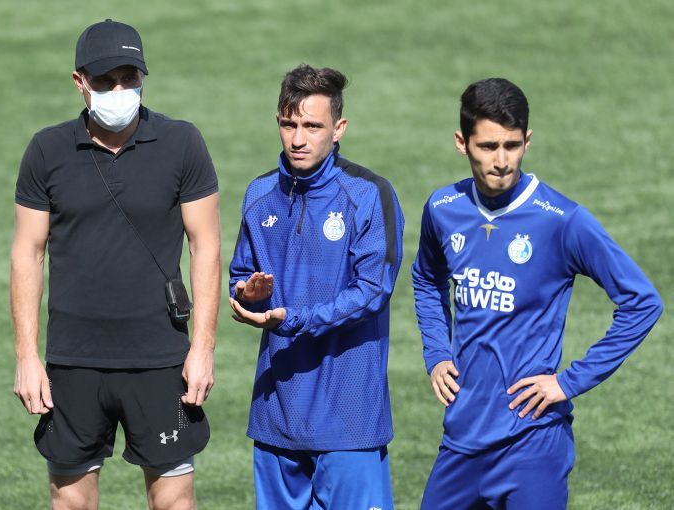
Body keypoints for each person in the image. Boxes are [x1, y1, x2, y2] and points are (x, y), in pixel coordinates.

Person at [412, 77, 663, 509]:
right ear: (461, 142)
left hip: (533, 443)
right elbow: (426, 278)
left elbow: (642, 302)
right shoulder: (442, 209)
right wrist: (436, 352)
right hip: (462, 441)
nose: (501, 161)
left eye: (512, 146)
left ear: (527, 141)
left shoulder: (562, 220)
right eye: (488, 146)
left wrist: (569, 382)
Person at [10, 19, 220, 510]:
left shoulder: (182, 143)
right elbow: (27, 253)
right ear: (79, 82)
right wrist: (26, 357)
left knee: (174, 503)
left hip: (160, 358)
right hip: (73, 360)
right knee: (71, 503)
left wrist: (203, 348)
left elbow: (206, 246)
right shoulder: (46, 151)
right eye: (105, 81)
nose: (120, 91)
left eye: (130, 78)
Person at [228, 64, 404, 510]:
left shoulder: (369, 194)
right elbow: (240, 274)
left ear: (338, 129)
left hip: (349, 421)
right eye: (289, 124)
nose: (298, 139)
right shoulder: (259, 195)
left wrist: (294, 319)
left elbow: (373, 290)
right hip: (276, 417)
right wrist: (248, 295)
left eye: (312, 126)